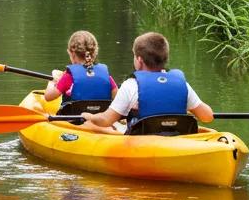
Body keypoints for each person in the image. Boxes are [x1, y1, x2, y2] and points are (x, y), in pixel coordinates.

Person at [83, 31, 213, 135]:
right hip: (176, 139)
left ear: (139, 60)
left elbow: (105, 120)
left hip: (143, 143)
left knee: (90, 125)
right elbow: (208, 117)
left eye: (134, 55)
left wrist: (89, 116)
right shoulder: (181, 84)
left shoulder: (131, 85)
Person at [44, 30, 117, 110]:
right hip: (100, 118)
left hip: (73, 120)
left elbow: (48, 97)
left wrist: (53, 82)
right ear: (95, 53)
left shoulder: (68, 77)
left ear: (72, 54)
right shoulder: (106, 76)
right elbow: (118, 97)